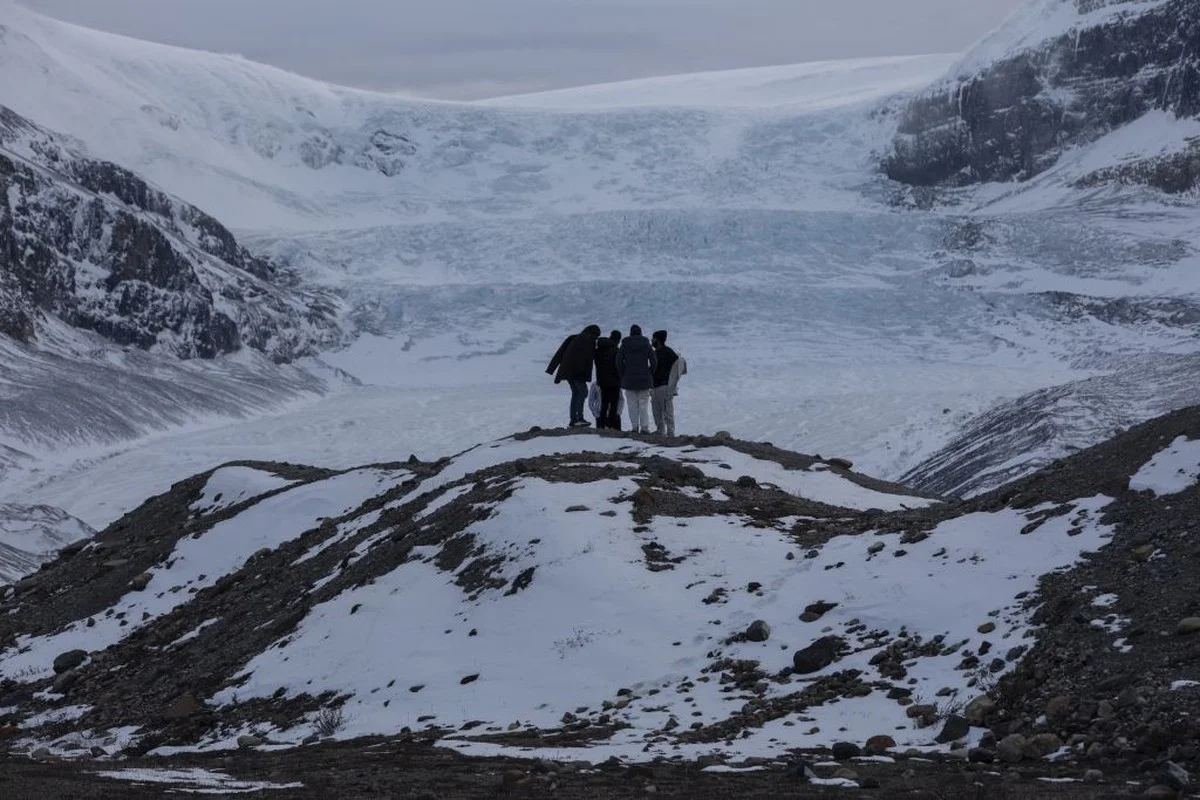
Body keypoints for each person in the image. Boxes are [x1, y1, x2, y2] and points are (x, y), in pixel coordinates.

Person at [546, 325, 601, 427]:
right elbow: (589, 357)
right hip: (577, 372)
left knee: (576, 393)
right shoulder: (589, 340)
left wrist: (551, 370)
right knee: (583, 393)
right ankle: (578, 418)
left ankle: (574, 420)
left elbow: (559, 353)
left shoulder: (573, 337)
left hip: (567, 371)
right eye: (597, 336)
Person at [617, 324, 657, 434]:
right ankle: (644, 428)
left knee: (631, 405)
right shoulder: (646, 343)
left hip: (629, 379)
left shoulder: (624, 344)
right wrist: (650, 372)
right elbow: (654, 361)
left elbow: (618, 361)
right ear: (640, 332)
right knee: (643, 405)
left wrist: (623, 374)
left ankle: (634, 428)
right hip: (644, 379)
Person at [651, 330, 684, 437]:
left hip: (664, 386)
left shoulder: (668, 352)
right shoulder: (655, 353)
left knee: (667, 411)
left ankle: (670, 433)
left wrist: (672, 384)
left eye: (654, 338)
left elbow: (679, 366)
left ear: (659, 340)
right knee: (656, 411)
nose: (652, 340)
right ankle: (660, 431)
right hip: (655, 386)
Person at [592, 330, 623, 429]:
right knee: (614, 404)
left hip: (602, 381)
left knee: (604, 404)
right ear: (618, 340)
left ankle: (601, 426)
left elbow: (596, 363)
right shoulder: (616, 350)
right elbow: (619, 366)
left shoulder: (599, 349)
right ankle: (612, 426)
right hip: (615, 381)